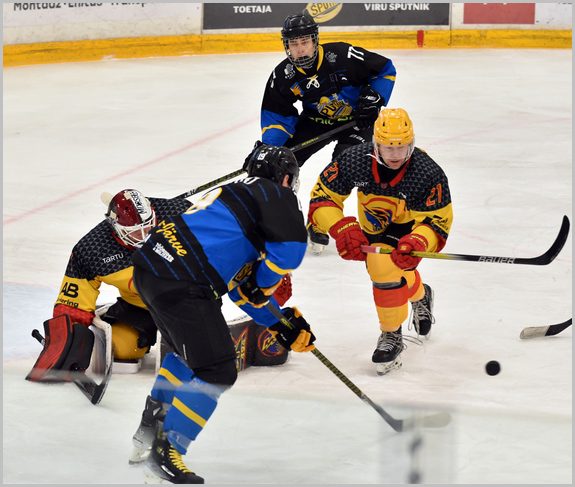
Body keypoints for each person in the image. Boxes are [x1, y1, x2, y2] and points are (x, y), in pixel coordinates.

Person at [130, 145, 316, 484]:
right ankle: (167, 450)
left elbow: (240, 291)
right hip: (183, 283)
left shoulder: (234, 199)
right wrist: (265, 284)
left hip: (151, 272)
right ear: (285, 178)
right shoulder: (275, 195)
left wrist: (280, 323)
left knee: (186, 357)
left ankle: (148, 430)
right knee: (217, 369)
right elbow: (290, 252)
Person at [26, 189, 292, 383]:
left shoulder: (180, 213)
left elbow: (226, 248)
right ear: (115, 228)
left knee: (195, 355)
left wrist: (265, 280)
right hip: (139, 306)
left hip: (188, 301)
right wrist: (67, 338)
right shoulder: (92, 249)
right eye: (135, 233)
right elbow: (72, 302)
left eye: (148, 227)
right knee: (122, 350)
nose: (144, 237)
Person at [308, 108, 453, 375]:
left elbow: (438, 221)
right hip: (372, 226)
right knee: (390, 273)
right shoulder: (355, 159)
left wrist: (419, 241)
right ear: (376, 144)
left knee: (383, 268)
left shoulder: (426, 171)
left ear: (411, 144)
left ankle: (391, 335)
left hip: (410, 229)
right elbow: (322, 198)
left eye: (402, 147)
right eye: (389, 147)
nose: (395, 155)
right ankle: (421, 295)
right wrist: (341, 227)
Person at [246, 12, 397, 253]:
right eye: (294, 44)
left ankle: (318, 218)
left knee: (342, 167)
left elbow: (385, 69)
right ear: (286, 46)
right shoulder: (283, 75)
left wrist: (374, 97)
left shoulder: (343, 56)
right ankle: (272, 221)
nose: (300, 50)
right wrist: (271, 147)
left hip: (357, 121)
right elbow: (278, 115)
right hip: (315, 121)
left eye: (305, 42)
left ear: (315, 41)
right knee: (277, 164)